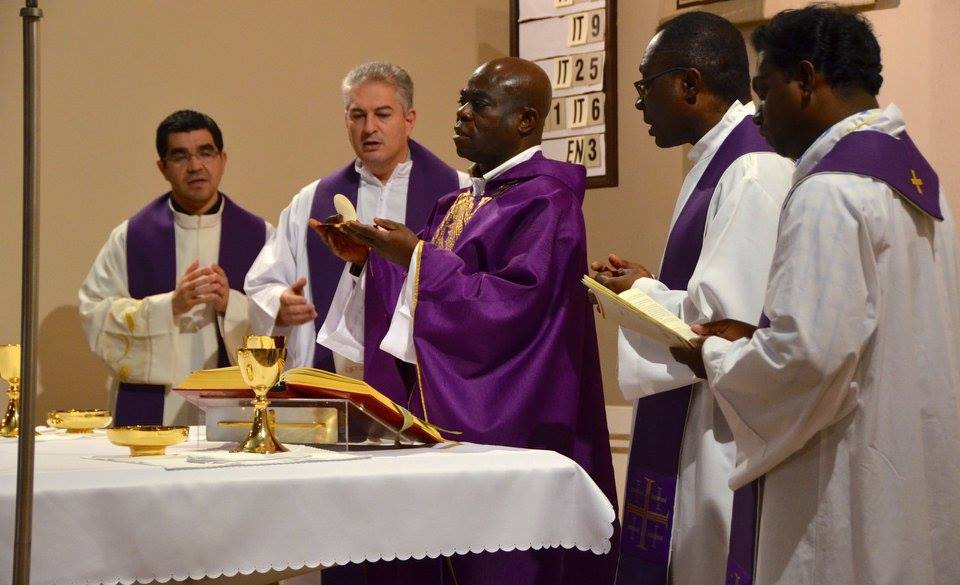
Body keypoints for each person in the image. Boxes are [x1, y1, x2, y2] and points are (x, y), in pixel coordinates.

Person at [673, 6, 960, 584]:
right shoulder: (919, 182)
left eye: (765, 89)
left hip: (845, 476)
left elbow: (804, 358)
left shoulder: (829, 191)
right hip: (914, 456)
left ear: (805, 80)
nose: (759, 111)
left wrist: (715, 355)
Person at [315, 57, 618, 585]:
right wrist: (372, 260)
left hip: (513, 427)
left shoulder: (547, 203)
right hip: (449, 429)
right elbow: (421, 296)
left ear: (525, 120)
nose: (460, 114)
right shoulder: (457, 202)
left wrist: (415, 257)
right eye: (461, 100)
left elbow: (511, 309)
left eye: (478, 104)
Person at [590, 12, 793, 585]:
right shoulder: (718, 157)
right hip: (698, 418)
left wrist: (642, 295)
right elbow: (713, 296)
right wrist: (651, 283)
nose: (639, 103)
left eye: (644, 85)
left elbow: (727, 326)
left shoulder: (750, 168)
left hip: (720, 427)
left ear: (689, 83)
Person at [243, 62, 468, 374]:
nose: (369, 128)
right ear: (346, 121)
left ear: (409, 120)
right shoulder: (311, 200)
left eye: (382, 114)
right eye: (358, 115)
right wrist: (280, 304)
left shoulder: (459, 194)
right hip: (332, 380)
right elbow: (263, 283)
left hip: (421, 377)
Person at [79, 110, 271, 426]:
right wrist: (170, 306)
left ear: (223, 159)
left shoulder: (261, 237)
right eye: (180, 156)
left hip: (235, 410)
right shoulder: (130, 238)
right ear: (163, 168)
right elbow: (94, 314)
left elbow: (283, 326)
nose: (195, 166)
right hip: (156, 411)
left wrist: (232, 306)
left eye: (205, 153)